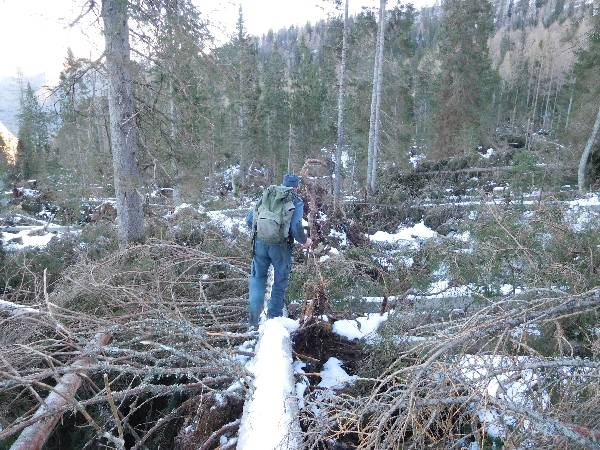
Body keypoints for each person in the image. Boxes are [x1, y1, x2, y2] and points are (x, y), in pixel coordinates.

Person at [245, 173, 310, 328]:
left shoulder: (267, 194)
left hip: (259, 244)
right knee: (280, 281)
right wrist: (305, 241)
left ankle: (253, 321)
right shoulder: (295, 201)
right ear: (296, 187)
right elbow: (295, 228)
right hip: (280, 247)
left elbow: (249, 219)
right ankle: (273, 320)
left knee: (257, 279)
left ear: (283, 183)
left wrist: (262, 233)